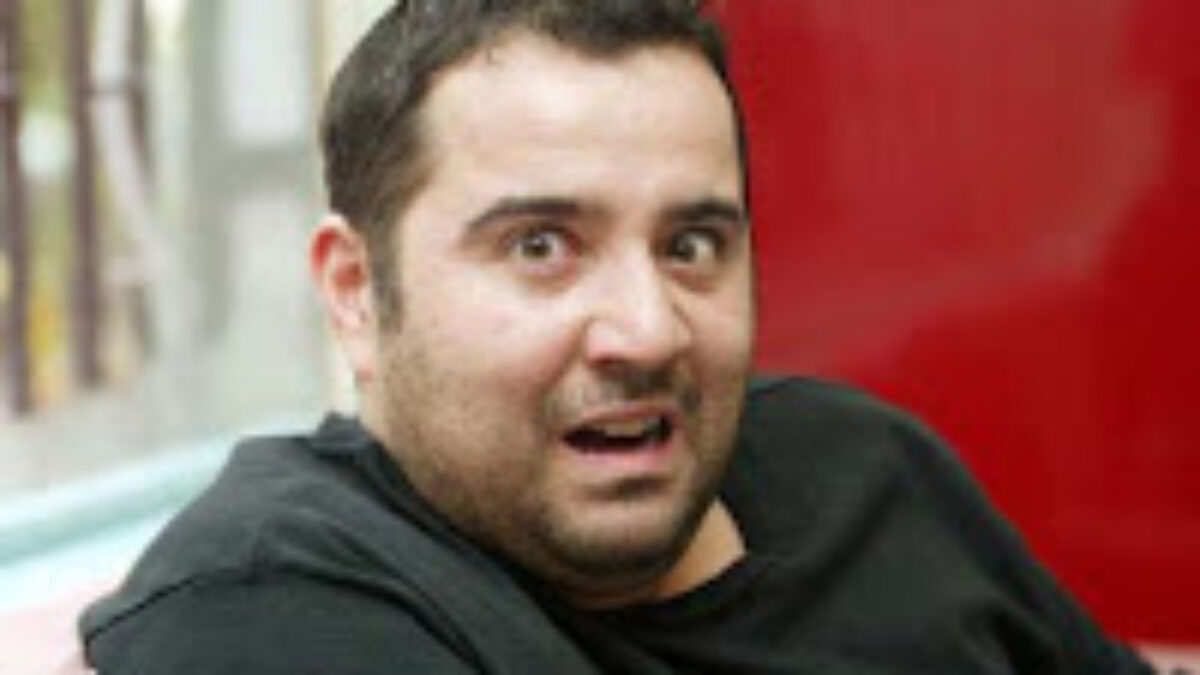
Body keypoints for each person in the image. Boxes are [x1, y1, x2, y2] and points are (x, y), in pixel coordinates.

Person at [79, 0, 1155, 672]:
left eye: (691, 245)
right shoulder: (266, 603)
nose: (647, 331)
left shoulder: (868, 461)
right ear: (358, 291)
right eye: (541, 246)